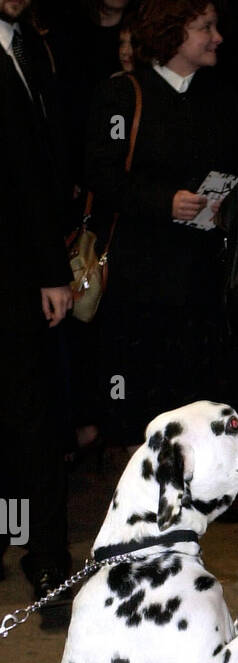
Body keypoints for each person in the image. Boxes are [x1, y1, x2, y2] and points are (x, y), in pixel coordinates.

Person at [85, 0, 238, 446]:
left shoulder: (224, 96)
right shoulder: (123, 95)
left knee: (203, 399)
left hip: (205, 279)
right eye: (205, 28)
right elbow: (101, 173)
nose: (217, 37)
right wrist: (163, 202)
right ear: (173, 33)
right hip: (142, 281)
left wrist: (227, 203)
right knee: (145, 402)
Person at [0, 0, 74, 599]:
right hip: (17, 268)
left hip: (23, 272)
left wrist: (53, 269)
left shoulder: (31, 46)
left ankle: (44, 554)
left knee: (34, 417)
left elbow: (37, 169)